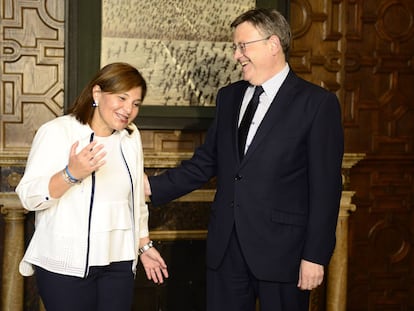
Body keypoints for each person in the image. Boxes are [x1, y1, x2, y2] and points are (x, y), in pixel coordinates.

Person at [145, 8, 344, 311]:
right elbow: (205, 163)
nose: (236, 55)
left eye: (242, 46)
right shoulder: (229, 97)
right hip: (227, 250)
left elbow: (326, 189)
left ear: (273, 44)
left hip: (284, 254)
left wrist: (315, 255)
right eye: (235, 47)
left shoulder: (317, 104)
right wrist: (149, 187)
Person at [16, 62, 168, 311]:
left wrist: (144, 245)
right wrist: (70, 174)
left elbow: (135, 199)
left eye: (136, 103)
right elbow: (28, 197)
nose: (128, 109)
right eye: (122, 98)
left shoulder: (131, 137)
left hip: (119, 261)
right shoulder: (57, 132)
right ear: (97, 94)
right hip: (65, 265)